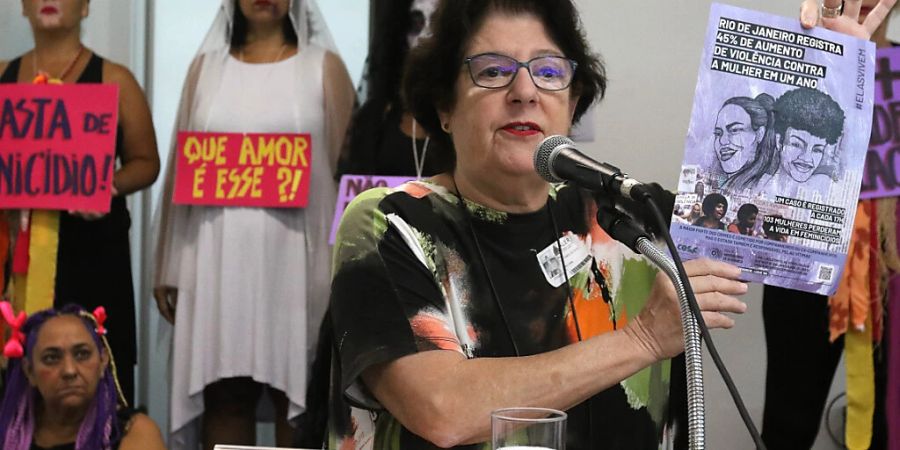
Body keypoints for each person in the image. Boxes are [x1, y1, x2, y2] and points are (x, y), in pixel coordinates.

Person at [326, 1, 748, 448]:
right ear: (444, 106)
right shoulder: (391, 224)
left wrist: (829, 51)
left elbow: (791, 221)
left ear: (573, 102)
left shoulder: (630, 217)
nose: (524, 91)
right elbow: (441, 410)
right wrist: (643, 339)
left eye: (548, 72)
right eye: (492, 71)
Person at [152, 0, 354, 449]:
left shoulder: (324, 67)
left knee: (297, 396)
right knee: (225, 394)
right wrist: (170, 263)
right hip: (215, 258)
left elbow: (350, 173)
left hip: (295, 263)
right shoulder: (206, 68)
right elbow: (182, 171)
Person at [0, 0, 161, 405]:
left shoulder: (115, 78)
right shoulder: (2, 75)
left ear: (86, 7)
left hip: (92, 255)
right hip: (15, 258)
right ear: (22, 7)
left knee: (95, 384)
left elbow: (147, 163)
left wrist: (108, 186)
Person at [761, 1, 897, 448]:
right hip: (801, 268)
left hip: (889, 278)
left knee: (886, 427)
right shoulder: (788, 60)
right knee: (787, 424)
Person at [0, 302, 165, 450]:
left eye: (82, 354)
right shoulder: (9, 433)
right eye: (51, 358)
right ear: (30, 371)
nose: (69, 370)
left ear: (102, 361)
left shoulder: (134, 431)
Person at [336, 0, 450, 179]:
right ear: (401, 30)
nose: (426, 35)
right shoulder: (375, 118)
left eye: (436, 24)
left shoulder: (468, 117)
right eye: (417, 23)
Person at [758, 87, 845, 195]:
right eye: (796, 145)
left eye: (817, 150)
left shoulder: (825, 190)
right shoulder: (756, 185)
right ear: (779, 141)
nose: (806, 158)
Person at [712, 94, 777, 193]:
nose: (722, 141)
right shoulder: (727, 184)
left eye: (734, 130)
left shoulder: (765, 185)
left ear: (760, 134)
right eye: (718, 133)